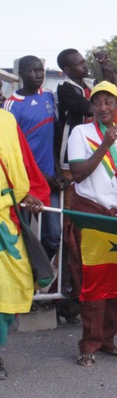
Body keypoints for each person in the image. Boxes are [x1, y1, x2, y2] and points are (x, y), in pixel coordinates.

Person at [65, 82, 117, 366]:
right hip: (90, 213)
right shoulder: (81, 133)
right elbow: (78, 174)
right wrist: (105, 145)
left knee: (115, 281)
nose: (103, 107)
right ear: (92, 107)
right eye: (98, 102)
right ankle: (89, 344)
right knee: (92, 282)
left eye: (109, 102)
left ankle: (107, 340)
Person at [0, 107, 48, 379]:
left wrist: (28, 191)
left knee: (12, 287)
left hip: (7, 218)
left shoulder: (7, 119)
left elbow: (22, 163)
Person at [3, 55, 63, 261]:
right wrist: (39, 175)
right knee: (22, 236)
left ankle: (39, 275)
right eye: (33, 70)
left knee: (54, 236)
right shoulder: (11, 105)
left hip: (49, 182)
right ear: (21, 75)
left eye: (41, 70)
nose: (39, 74)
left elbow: (54, 138)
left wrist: (56, 171)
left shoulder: (48, 97)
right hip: (23, 184)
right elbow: (10, 149)